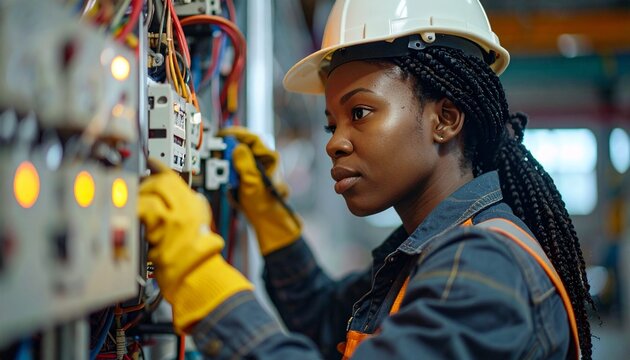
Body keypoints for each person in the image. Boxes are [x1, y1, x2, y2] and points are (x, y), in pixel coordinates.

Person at [137, 0, 595, 358]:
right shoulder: (428, 252)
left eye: (360, 112)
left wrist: (201, 279)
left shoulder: (482, 267)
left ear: (446, 119)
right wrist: (271, 220)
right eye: (331, 124)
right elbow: (322, 319)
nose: (335, 143)